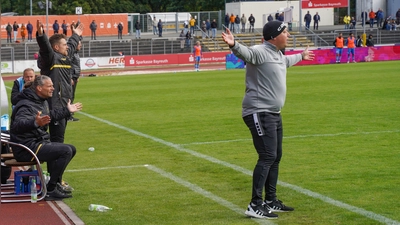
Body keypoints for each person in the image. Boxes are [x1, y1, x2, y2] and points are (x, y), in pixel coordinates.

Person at [221, 20, 314, 219]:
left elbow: (287, 62)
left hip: (273, 113)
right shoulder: (260, 51)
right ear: (274, 36)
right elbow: (246, 53)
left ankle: (271, 200)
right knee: (267, 156)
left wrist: (302, 56)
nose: (288, 35)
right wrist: (233, 44)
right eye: (285, 32)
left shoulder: (278, 55)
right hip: (258, 112)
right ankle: (255, 204)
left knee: (275, 156)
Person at [10, 75, 82, 200]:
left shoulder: (39, 100)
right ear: (39, 88)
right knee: (66, 151)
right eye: (49, 86)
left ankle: (55, 184)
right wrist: (35, 122)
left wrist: (67, 110)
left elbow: (49, 116)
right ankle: (51, 189)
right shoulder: (26, 105)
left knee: (72, 149)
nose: (53, 89)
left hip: (36, 142)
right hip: (26, 147)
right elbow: (17, 125)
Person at [36, 19, 83, 143]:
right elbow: (45, 48)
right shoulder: (51, 58)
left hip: (63, 105)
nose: (67, 46)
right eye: (64, 44)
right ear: (56, 47)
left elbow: (72, 45)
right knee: (57, 141)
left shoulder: (65, 57)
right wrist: (41, 36)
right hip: (53, 106)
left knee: (58, 140)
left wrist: (76, 35)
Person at [70, 40, 82, 121]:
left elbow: (76, 66)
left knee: (72, 95)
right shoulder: (72, 54)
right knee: (69, 96)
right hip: (71, 77)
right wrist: (70, 77)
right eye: (79, 44)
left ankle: (69, 114)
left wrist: (77, 76)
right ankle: (68, 115)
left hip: (74, 76)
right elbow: (69, 66)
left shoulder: (76, 53)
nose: (80, 46)